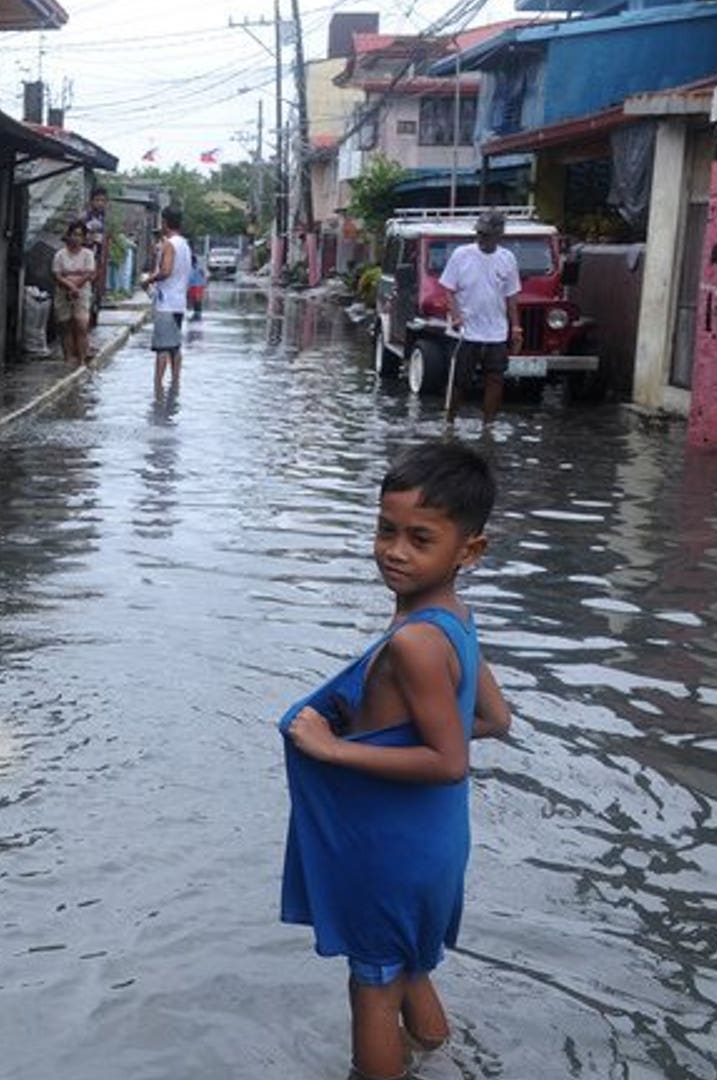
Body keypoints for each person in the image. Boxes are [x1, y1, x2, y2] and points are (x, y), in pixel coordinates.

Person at [279, 441, 513, 1080]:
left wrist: (334, 747)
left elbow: (448, 760)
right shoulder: (454, 619)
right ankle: (444, 1056)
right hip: (435, 844)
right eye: (386, 530)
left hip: (388, 850)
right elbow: (496, 718)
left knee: (372, 987)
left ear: (470, 551)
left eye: (419, 538)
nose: (394, 550)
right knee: (408, 964)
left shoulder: (413, 643)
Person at [438, 210, 523, 424]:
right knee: (459, 381)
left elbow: (512, 296)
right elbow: (448, 289)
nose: (481, 239)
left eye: (486, 235)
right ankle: (449, 421)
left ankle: (488, 426)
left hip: (496, 331)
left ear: (498, 236)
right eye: (479, 234)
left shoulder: (507, 259)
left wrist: (516, 328)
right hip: (466, 330)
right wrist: (456, 315)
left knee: (495, 378)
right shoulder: (461, 254)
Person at [140, 207, 193, 394]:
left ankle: (158, 387)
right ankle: (175, 384)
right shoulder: (185, 245)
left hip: (166, 303)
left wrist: (148, 280)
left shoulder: (169, 245)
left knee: (162, 348)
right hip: (179, 303)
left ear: (164, 222)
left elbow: (166, 271)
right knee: (175, 347)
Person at [51, 221, 97, 366]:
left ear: (84, 238)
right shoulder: (60, 255)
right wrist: (70, 286)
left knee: (81, 324)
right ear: (68, 236)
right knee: (65, 326)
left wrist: (75, 287)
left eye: (80, 235)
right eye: (74, 234)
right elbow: (57, 275)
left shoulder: (87, 254)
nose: (76, 238)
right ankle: (68, 358)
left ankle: (82, 359)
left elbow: (89, 273)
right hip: (63, 292)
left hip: (82, 293)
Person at [83, 186, 111, 314]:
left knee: (95, 293)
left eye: (103, 201)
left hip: (98, 260)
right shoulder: (85, 218)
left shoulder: (103, 219)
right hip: (85, 260)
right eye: (97, 200)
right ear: (91, 201)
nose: (100, 203)